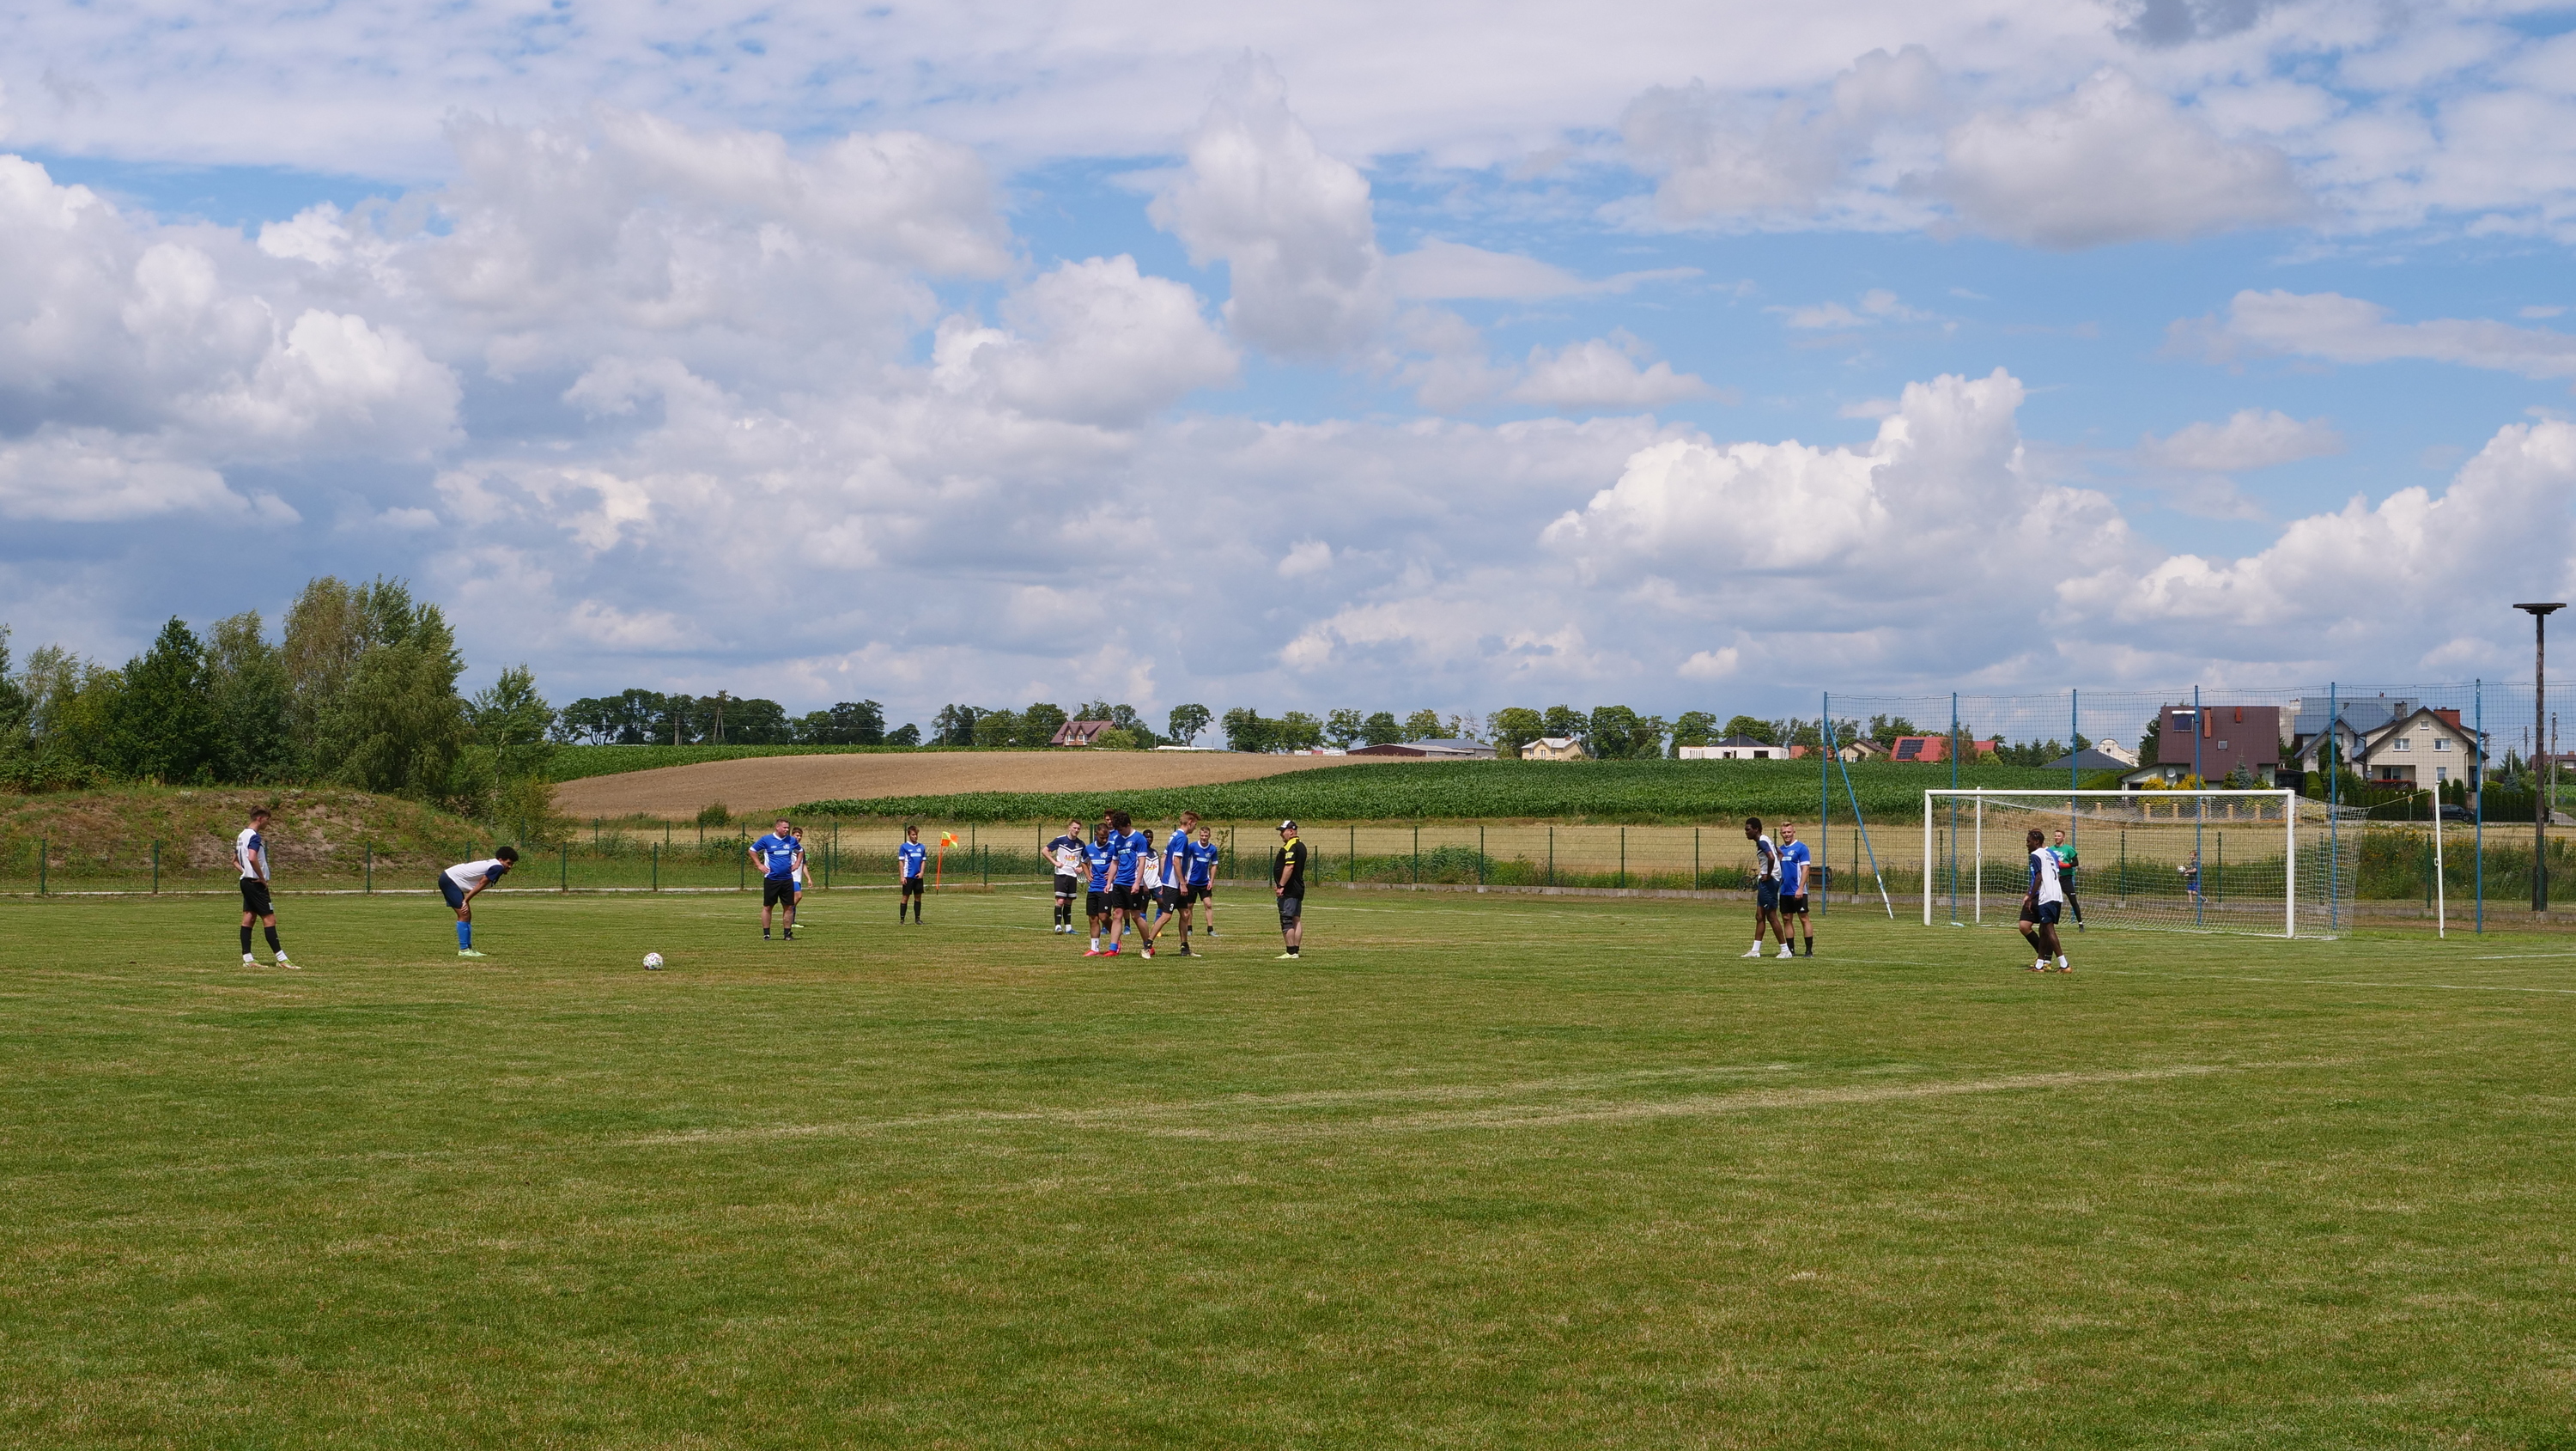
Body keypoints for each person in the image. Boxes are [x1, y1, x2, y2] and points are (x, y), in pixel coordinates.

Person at [235, 806, 292, 968]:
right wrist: (261, 877)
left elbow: (234, 860)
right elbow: (252, 857)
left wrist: (245, 872)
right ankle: (282, 960)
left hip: (246, 882)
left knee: (249, 919)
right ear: (260, 818)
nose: (268, 822)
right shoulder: (254, 836)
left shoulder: (241, 836)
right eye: (267, 819)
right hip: (255, 883)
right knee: (270, 919)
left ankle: (248, 959)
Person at [440, 847, 519, 958]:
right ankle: (464, 950)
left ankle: (468, 949)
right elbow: (481, 883)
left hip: (450, 879)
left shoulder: (495, 866)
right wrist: (466, 900)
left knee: (467, 915)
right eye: (508, 863)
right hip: (450, 880)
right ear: (500, 860)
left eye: (512, 864)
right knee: (464, 914)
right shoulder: (497, 867)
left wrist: (466, 900)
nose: (510, 866)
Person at [2020, 827, 2070, 972]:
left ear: (2036, 842)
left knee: (2049, 930)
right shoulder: (2049, 854)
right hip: (2056, 895)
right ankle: (2040, 965)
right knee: (2043, 930)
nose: (2027, 844)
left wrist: (2030, 897)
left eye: (2028, 841)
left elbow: (2039, 877)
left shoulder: (2036, 854)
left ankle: (2064, 965)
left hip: (2047, 896)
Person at [1741, 817, 1788, 958]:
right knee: (1759, 916)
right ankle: (1755, 950)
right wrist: (1777, 870)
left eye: (1748, 829)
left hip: (1769, 882)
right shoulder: (1766, 839)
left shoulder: (1762, 841)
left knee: (1771, 916)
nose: (1746, 832)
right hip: (1767, 881)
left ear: (1756, 829)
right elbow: (1780, 854)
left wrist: (1769, 873)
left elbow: (1772, 857)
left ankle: (1785, 950)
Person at [749, 819, 803, 939]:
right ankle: (767, 934)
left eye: (788, 827)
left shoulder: (791, 840)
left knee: (788, 906)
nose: (787, 830)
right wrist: (759, 865)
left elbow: (800, 851)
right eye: (785, 827)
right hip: (771, 879)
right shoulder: (766, 839)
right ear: (777, 827)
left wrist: (797, 863)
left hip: (787, 879)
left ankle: (787, 934)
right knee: (768, 906)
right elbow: (752, 850)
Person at [1103, 810, 1146, 955]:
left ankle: (1148, 945)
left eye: (1121, 829)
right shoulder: (1118, 840)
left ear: (1128, 825)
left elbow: (1142, 862)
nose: (1119, 832)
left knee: (1135, 916)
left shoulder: (1139, 839)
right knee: (1117, 914)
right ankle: (1113, 948)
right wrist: (1109, 882)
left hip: (1133, 882)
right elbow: (1115, 862)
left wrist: (1137, 882)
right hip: (1119, 882)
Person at [1158, 811, 1201, 956]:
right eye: (1195, 824)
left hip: (1171, 882)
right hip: (1174, 883)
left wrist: (1162, 879)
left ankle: (1185, 948)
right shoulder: (1182, 838)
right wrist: (1182, 883)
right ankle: (1147, 945)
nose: (1195, 827)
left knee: (1185, 913)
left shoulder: (1174, 835)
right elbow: (1175, 861)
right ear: (1190, 822)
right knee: (1166, 916)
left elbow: (1163, 858)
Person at [1777, 821, 1814, 957]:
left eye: (1789, 832)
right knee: (1787, 919)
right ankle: (1790, 950)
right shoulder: (1780, 850)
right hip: (1784, 891)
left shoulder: (1801, 848)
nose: (1787, 834)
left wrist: (1800, 888)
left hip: (1798, 891)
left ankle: (1808, 951)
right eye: (1784, 832)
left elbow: (1805, 869)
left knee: (1804, 918)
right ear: (1781, 834)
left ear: (1794, 832)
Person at [1272, 818, 1308, 959]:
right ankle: (1295, 950)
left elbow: (1289, 867)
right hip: (1298, 887)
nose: (1281, 834)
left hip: (1290, 889)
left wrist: (1281, 885)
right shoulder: (1301, 846)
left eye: (1283, 831)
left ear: (1291, 831)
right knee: (1296, 919)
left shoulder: (1291, 847)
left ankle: (1291, 951)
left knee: (1286, 919)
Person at [1043, 818, 1086, 933]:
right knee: (1060, 900)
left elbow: (1088, 858)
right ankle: (1058, 926)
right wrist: (1055, 862)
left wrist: (1082, 868)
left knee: (1069, 901)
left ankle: (1068, 927)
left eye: (1078, 829)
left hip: (1073, 875)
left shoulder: (1081, 844)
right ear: (1069, 828)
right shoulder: (1060, 840)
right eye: (1074, 828)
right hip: (1061, 874)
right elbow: (1045, 851)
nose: (1076, 830)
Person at [1081, 823, 1115, 956]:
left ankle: (1116, 941)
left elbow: (1119, 863)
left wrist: (1114, 874)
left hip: (1107, 887)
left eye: (1106, 837)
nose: (1105, 840)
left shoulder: (1113, 848)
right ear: (1096, 835)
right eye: (1102, 837)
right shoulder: (1089, 848)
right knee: (1093, 918)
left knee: (1104, 917)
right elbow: (1084, 862)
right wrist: (1088, 874)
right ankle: (1095, 948)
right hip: (1093, 887)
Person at [1134, 827, 1164, 959]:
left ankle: (1156, 926)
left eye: (1151, 837)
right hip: (1145, 884)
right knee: (1143, 908)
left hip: (1156, 883)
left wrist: (1162, 881)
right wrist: (1144, 884)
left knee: (1162, 904)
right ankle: (1145, 930)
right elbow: (1138, 869)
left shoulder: (1154, 852)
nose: (1149, 839)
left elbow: (1158, 868)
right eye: (1147, 837)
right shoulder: (1140, 852)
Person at [2051, 828, 2085, 931]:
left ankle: (2080, 924)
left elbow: (2076, 862)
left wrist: (2065, 865)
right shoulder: (2050, 850)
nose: (2057, 838)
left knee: (2073, 900)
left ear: (2064, 837)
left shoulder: (2069, 849)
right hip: (2055, 878)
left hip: (2066, 878)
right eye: (2055, 836)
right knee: (2055, 900)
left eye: (2059, 836)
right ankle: (2052, 923)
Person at [1189, 824, 1220, 938]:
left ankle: (1210, 929)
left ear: (1209, 836)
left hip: (1204, 882)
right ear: (1199, 835)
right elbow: (1184, 861)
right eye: (1202, 835)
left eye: (1206, 836)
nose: (1204, 838)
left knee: (1208, 904)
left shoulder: (1212, 849)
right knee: (1189, 905)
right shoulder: (1192, 847)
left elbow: (1214, 865)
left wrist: (1211, 881)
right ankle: (1189, 929)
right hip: (1191, 882)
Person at [896, 823, 928, 923]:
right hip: (908, 876)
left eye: (916, 834)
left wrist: (922, 872)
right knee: (906, 897)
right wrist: (902, 876)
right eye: (913, 834)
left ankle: (917, 919)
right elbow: (901, 862)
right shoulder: (904, 847)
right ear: (909, 835)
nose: (915, 836)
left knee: (918, 897)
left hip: (918, 876)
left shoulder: (921, 847)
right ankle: (902, 919)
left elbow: (923, 861)